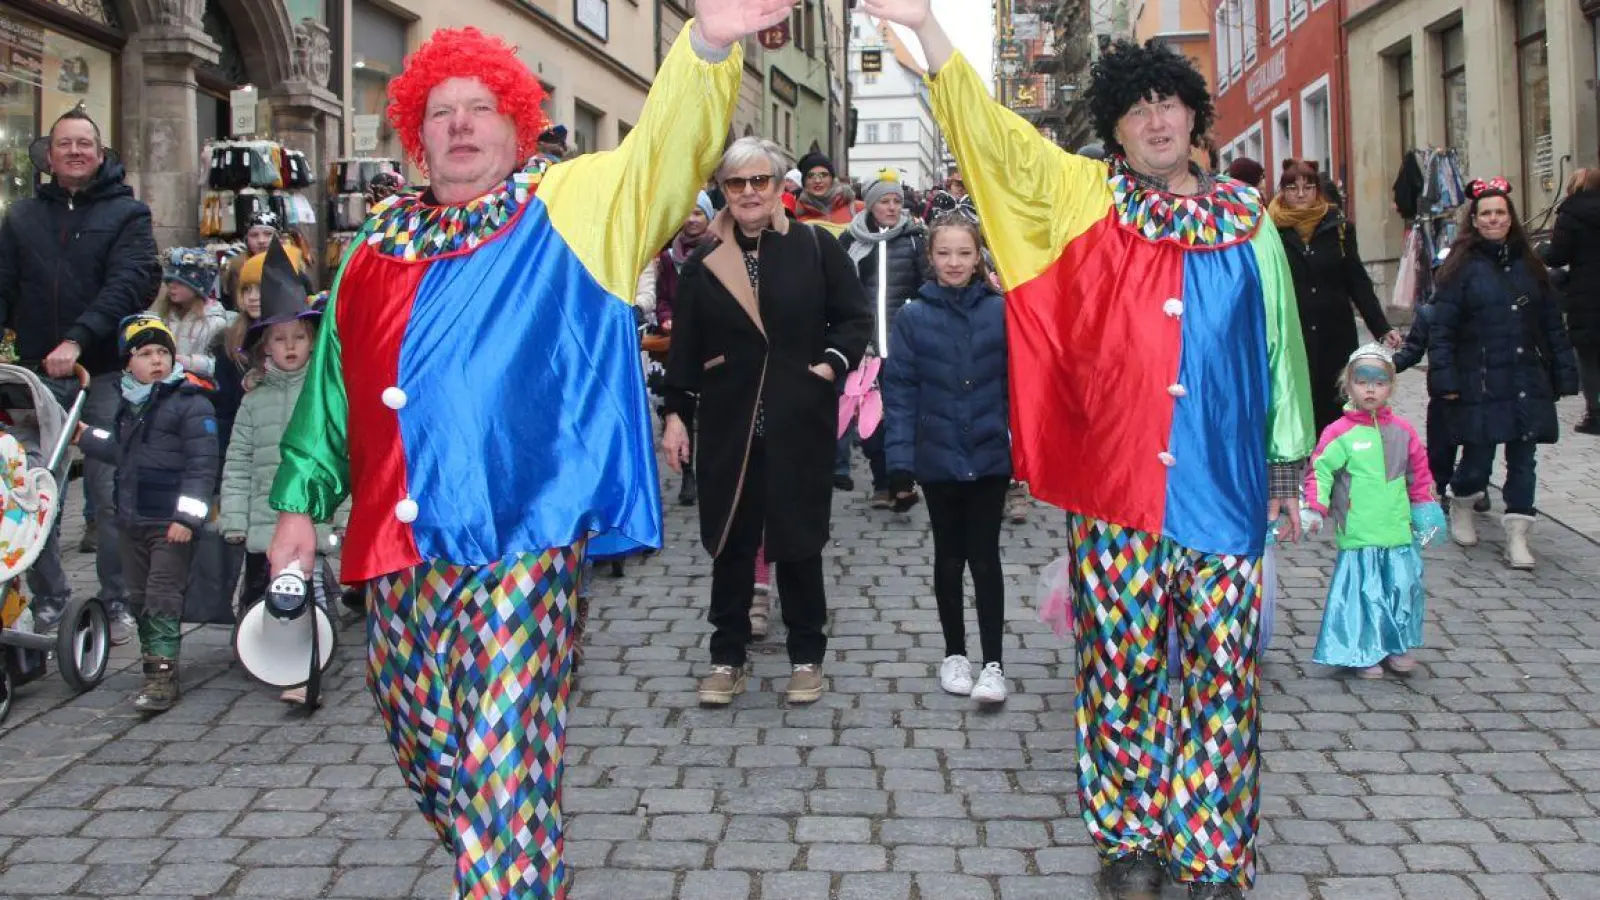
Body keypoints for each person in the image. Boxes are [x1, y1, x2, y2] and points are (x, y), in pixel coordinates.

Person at [265, 7, 791, 896]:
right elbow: (329, 391)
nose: (461, 124)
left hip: (525, 541)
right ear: (418, 136)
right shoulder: (371, 250)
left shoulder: (569, 208)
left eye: (480, 107)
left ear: (515, 123)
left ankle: (510, 878)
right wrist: (294, 509)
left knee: (503, 754)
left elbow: (662, 153)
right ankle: (509, 860)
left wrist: (706, 44)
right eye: (441, 112)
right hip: (401, 549)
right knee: (432, 748)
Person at [862, 3, 1315, 897]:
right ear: (1114, 126)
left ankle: (1213, 845)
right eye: (1137, 108)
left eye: (1169, 103)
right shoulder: (1083, 199)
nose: (1156, 120)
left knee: (1224, 673)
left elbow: (1283, 347)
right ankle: (1131, 835)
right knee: (1122, 667)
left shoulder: (1251, 222)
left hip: (1223, 489)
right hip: (1117, 490)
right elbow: (996, 143)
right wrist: (932, 33)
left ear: (1193, 114)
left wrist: (1286, 461)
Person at [660, 137, 872, 707]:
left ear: (781, 188)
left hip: (797, 416)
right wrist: (676, 413)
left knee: (799, 541)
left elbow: (853, 319)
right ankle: (726, 657)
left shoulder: (814, 247)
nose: (749, 193)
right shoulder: (706, 261)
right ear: (723, 192)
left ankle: (807, 656)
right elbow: (685, 346)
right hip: (731, 423)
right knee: (731, 543)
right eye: (737, 184)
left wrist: (831, 364)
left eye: (760, 182)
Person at [0, 107, 160, 636]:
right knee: (29, 492)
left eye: (84, 144)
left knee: (110, 491)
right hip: (36, 375)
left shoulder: (127, 215)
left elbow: (130, 284)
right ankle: (50, 597)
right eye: (64, 144)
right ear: (48, 154)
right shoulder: (21, 217)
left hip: (106, 374)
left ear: (100, 153)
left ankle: (117, 600)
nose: (74, 152)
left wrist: (79, 337)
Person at [882, 214, 1011, 702]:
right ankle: (955, 653)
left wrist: (1023, 446)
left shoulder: (1002, 311)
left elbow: (1020, 385)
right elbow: (900, 392)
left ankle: (993, 661)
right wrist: (899, 461)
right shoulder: (913, 316)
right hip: (937, 453)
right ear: (930, 258)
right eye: (944, 253)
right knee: (948, 556)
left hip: (989, 452)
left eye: (963, 253)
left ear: (978, 256)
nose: (954, 262)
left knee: (985, 558)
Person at [1431, 177, 1579, 570]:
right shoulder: (1460, 269)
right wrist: (1444, 378)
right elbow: (1441, 329)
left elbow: (1552, 326)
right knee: (1478, 457)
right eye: (1487, 214)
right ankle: (1462, 500)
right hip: (1479, 378)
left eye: (1500, 213)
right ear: (1475, 221)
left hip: (1525, 379)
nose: (1494, 219)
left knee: (1523, 458)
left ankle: (1518, 534)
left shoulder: (1530, 267)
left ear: (1510, 218)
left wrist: (1564, 372)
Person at [76, 315, 218, 712]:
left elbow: (203, 467)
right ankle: (154, 658)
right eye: (145, 353)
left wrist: (188, 518)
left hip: (169, 523)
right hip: (133, 519)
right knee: (138, 595)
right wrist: (86, 437)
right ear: (128, 365)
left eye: (162, 352)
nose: (156, 360)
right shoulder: (129, 405)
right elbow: (120, 448)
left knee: (161, 594)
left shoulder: (191, 404)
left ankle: (161, 677)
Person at [221, 242, 343, 699]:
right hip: (262, 521)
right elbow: (236, 462)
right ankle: (266, 651)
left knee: (306, 592)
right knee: (260, 593)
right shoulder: (253, 402)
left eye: (298, 337)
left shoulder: (327, 398)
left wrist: (343, 513)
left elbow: (339, 458)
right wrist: (233, 515)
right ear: (264, 345)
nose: (290, 346)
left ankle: (306, 670)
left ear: (312, 341)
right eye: (279, 338)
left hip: (312, 519)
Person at [1300, 343, 1446, 678]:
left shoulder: (1403, 432)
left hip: (1397, 530)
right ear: (1348, 385)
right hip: (1360, 531)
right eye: (1362, 381)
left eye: (1379, 382)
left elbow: (1419, 474)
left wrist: (1424, 506)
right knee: (1365, 593)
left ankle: (1398, 644)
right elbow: (1320, 470)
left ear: (1390, 387)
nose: (1370, 388)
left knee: (1403, 586)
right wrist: (1316, 506)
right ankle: (1363, 648)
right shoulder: (1340, 433)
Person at [1268, 158, 1399, 435]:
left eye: (1308, 187)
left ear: (1317, 190)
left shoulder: (1338, 227)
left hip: (1334, 331)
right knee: (1299, 402)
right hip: (1294, 333)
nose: (1301, 194)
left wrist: (1381, 327)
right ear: (1282, 192)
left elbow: (1357, 280)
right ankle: (1307, 466)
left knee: (1336, 403)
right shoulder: (1271, 230)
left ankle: (1335, 461)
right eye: (1292, 188)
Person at [838, 169, 931, 507]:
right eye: (885, 202)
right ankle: (881, 481)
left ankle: (902, 482)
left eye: (897, 202)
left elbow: (927, 286)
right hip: (865, 348)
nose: (892, 208)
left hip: (904, 345)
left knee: (903, 413)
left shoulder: (914, 240)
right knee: (871, 419)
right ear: (871, 205)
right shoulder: (851, 240)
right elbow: (840, 290)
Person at [637, 191, 717, 507]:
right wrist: (668, 318)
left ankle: (714, 470)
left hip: (714, 342)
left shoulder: (721, 251)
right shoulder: (669, 259)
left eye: (698, 213)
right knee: (680, 408)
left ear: (709, 217)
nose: (692, 219)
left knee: (711, 412)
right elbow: (663, 299)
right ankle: (688, 474)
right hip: (678, 343)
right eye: (686, 212)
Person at [1543, 167, 1600, 435]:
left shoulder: (1570, 214)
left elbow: (1557, 255)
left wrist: (1542, 252)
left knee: (1589, 356)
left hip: (1586, 294)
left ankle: (1595, 414)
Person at [150, 248, 231, 380]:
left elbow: (221, 366)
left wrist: (190, 363)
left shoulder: (215, 323)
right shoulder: (165, 318)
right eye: (169, 281)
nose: (171, 286)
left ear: (198, 287)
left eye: (179, 282)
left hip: (198, 387)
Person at [793, 150, 861, 231]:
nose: (818, 181)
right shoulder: (795, 215)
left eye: (824, 175)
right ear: (804, 182)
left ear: (832, 179)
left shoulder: (857, 209)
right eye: (811, 176)